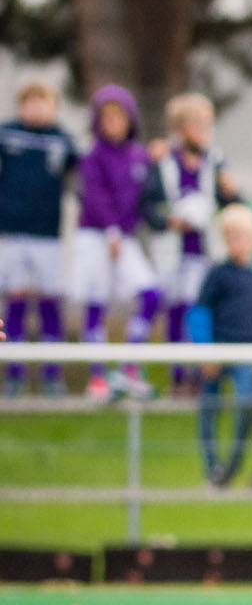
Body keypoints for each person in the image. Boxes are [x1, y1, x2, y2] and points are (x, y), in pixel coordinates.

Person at [144, 92, 240, 391]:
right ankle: (178, 377)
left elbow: (233, 204)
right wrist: (169, 222)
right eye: (195, 123)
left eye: (206, 123)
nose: (203, 130)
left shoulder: (215, 161)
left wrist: (232, 192)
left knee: (196, 311)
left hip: (205, 251)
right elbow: (147, 204)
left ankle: (199, 375)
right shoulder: (163, 161)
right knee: (175, 311)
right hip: (173, 250)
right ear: (180, 127)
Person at [73, 84, 162, 400]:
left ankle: (129, 366)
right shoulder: (92, 155)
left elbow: (146, 196)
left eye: (119, 115)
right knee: (96, 302)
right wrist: (110, 229)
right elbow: (95, 195)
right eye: (106, 116)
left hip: (126, 237)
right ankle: (97, 377)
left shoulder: (139, 155)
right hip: (97, 235)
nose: (113, 122)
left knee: (151, 294)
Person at [1, 79, 79, 394]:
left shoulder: (63, 140)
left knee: (50, 303)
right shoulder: (7, 133)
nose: (36, 109)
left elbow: (85, 173)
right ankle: (14, 374)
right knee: (16, 301)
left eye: (43, 102)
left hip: (48, 234)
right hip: (12, 232)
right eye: (30, 103)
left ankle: (52, 374)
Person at [189, 207, 252, 484]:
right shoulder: (217, 275)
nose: (238, 242)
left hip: (247, 354)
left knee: (246, 408)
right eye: (232, 236)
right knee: (209, 411)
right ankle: (212, 467)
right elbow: (199, 313)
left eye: (243, 235)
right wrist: (206, 351)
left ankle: (232, 467)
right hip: (218, 351)